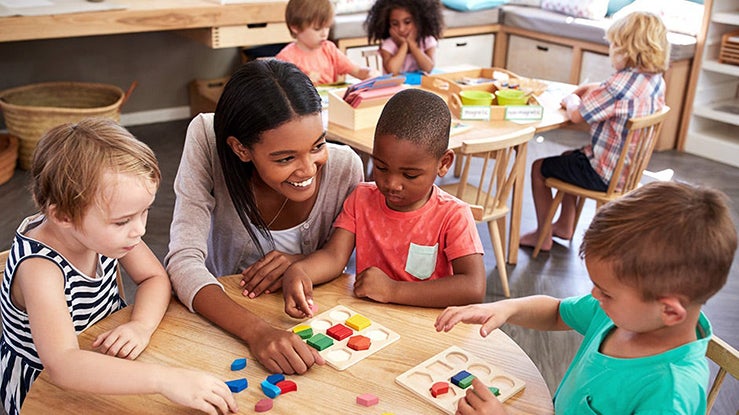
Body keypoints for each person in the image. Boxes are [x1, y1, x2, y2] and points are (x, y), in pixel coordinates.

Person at [436, 181, 737, 415]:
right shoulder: (622, 315)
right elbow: (556, 312)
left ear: (670, 311)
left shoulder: (669, 396)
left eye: (606, 292)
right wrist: (506, 307)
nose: (595, 295)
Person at [0, 119, 238, 415]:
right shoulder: (40, 269)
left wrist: (140, 326)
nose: (138, 230)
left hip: (107, 358)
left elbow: (154, 278)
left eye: (144, 213)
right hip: (45, 388)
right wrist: (164, 379)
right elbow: (63, 365)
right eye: (124, 220)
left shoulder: (102, 231)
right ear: (62, 215)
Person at [165, 60, 365, 374]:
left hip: (312, 328)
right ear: (240, 149)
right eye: (285, 158)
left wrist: (302, 261)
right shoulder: (208, 137)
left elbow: (347, 265)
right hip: (225, 320)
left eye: (318, 145)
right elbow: (182, 260)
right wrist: (257, 332)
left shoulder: (345, 168)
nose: (308, 169)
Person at [282, 88, 486, 318]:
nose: (392, 184)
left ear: (444, 163)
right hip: (370, 321)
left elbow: (473, 287)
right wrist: (300, 270)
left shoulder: (453, 215)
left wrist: (393, 290)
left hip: (427, 327)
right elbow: (334, 257)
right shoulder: (361, 198)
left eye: (409, 175)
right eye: (381, 168)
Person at [519, 11, 669, 252]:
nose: (610, 51)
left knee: (539, 168)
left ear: (626, 50)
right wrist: (595, 88)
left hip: (603, 175)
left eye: (613, 46)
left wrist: (570, 99)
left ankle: (543, 235)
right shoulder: (655, 80)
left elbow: (577, 114)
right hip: (627, 171)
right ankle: (565, 225)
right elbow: (617, 95)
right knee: (569, 157)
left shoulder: (618, 85)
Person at [275, 0, 376, 85]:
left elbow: (357, 70)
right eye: (317, 29)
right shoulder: (286, 58)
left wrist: (369, 73)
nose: (324, 34)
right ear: (295, 28)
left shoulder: (329, 49)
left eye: (327, 27)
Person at [365, 0, 443, 75]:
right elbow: (392, 71)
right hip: (397, 88)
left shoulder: (427, 40)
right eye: (395, 24)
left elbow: (428, 68)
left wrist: (412, 44)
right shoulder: (388, 44)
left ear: (419, 21)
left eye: (407, 22)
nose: (401, 29)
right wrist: (404, 45)